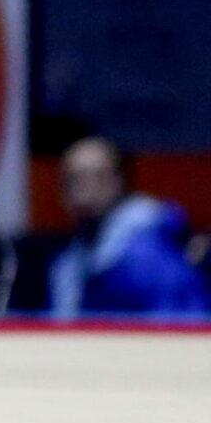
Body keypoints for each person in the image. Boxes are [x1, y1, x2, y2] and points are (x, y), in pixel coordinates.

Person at [48, 134, 208, 319]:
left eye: (96, 176)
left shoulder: (148, 252)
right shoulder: (68, 261)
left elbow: (180, 328)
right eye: (71, 179)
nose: (81, 189)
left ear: (119, 181)